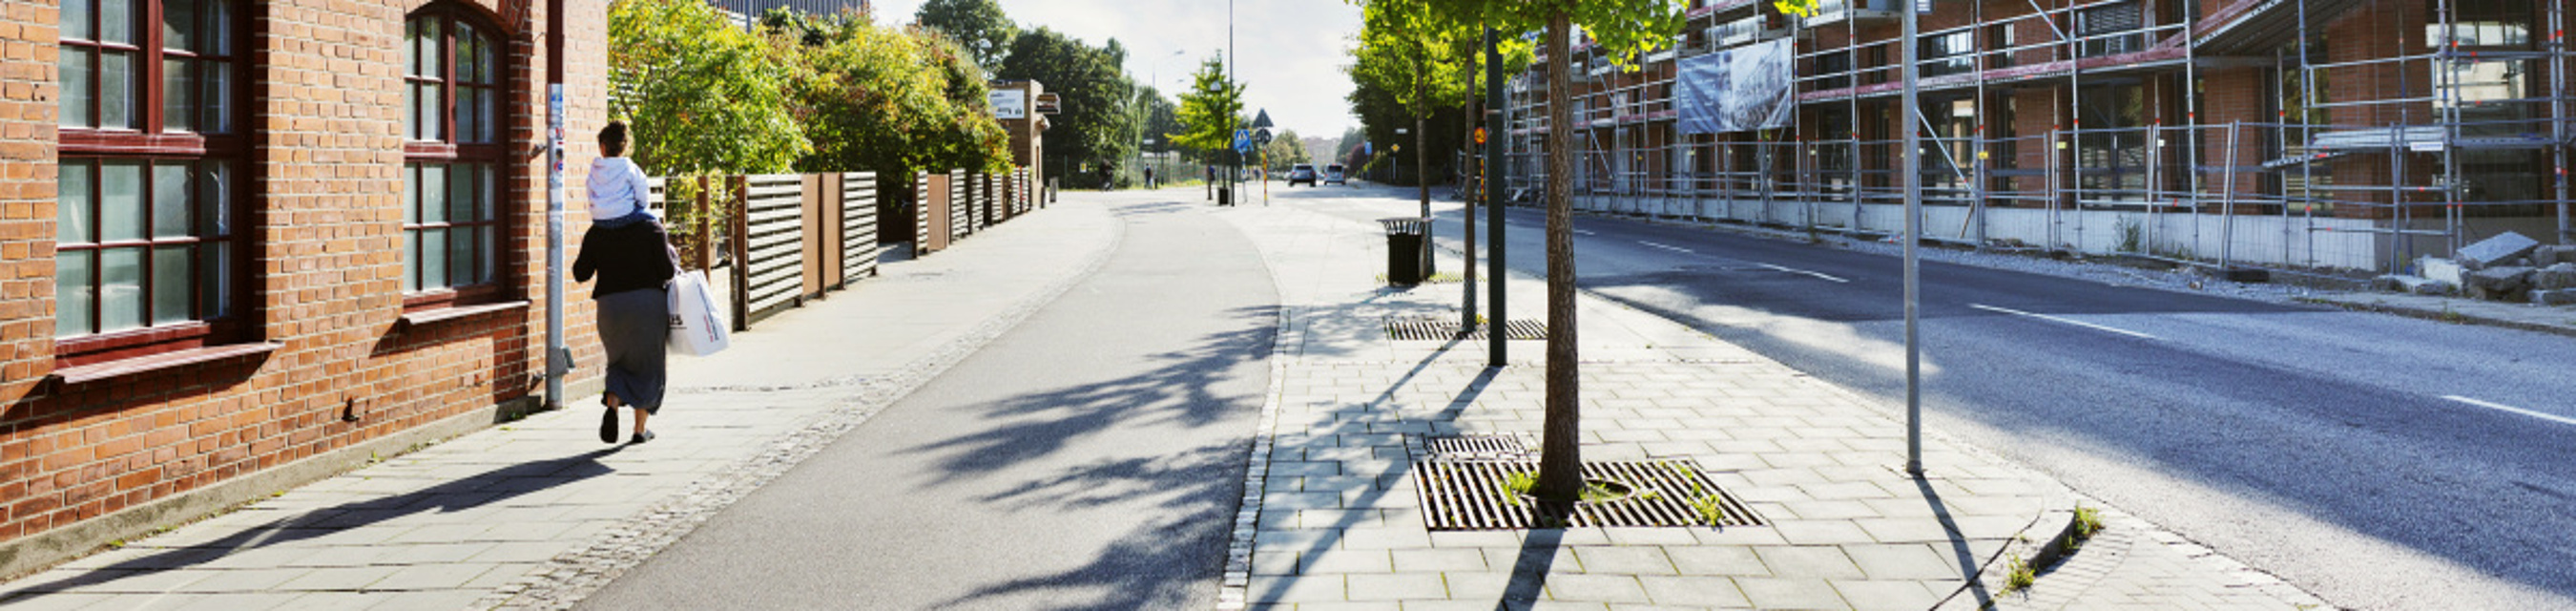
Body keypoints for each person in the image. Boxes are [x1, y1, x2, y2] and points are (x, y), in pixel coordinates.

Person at [574, 121, 677, 445]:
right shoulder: (651, 229)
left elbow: (580, 273)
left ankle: (613, 403)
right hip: (647, 306)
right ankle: (639, 430)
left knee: (618, 362)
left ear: (602, 149)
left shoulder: (596, 232)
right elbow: (667, 271)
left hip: (610, 308)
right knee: (647, 365)